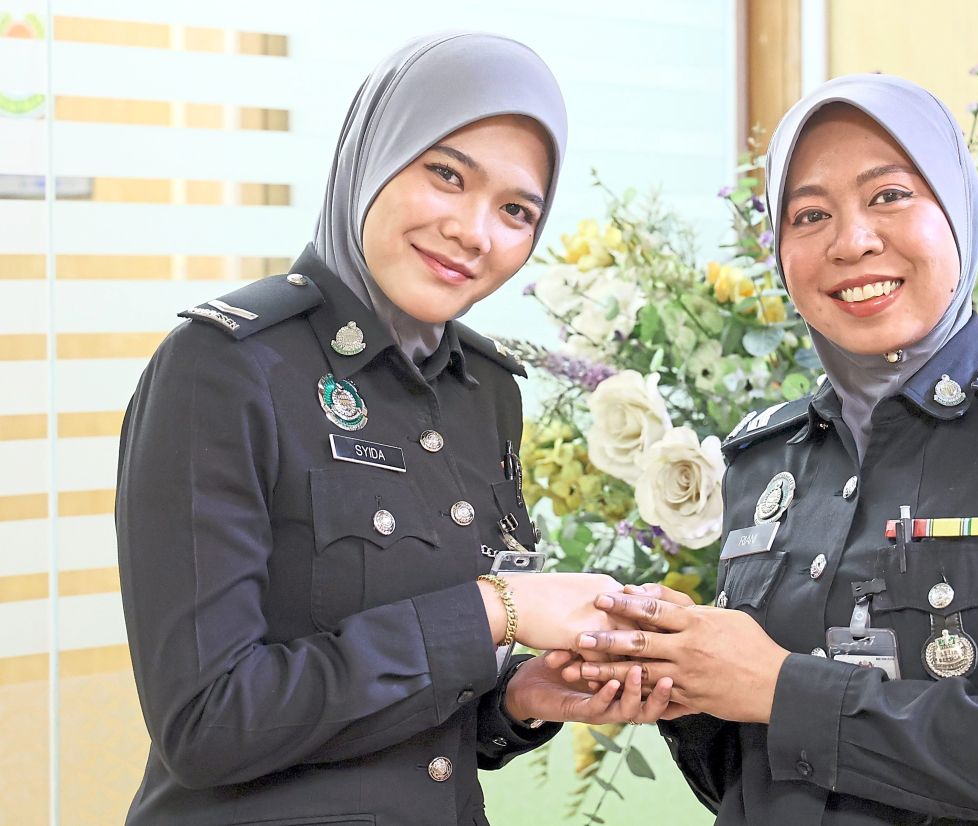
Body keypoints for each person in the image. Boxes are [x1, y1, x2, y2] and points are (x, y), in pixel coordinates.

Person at [555, 74, 978, 825]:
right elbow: (753, 781)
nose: (852, 241)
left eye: (891, 196)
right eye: (809, 214)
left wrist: (779, 686)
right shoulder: (762, 458)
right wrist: (682, 679)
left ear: (960, 212)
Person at [115, 32, 671, 826]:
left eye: (516, 211)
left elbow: (415, 722)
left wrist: (514, 698)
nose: (476, 232)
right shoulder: (223, 368)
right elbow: (207, 724)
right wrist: (495, 609)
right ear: (374, 156)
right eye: (446, 175)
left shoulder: (484, 392)